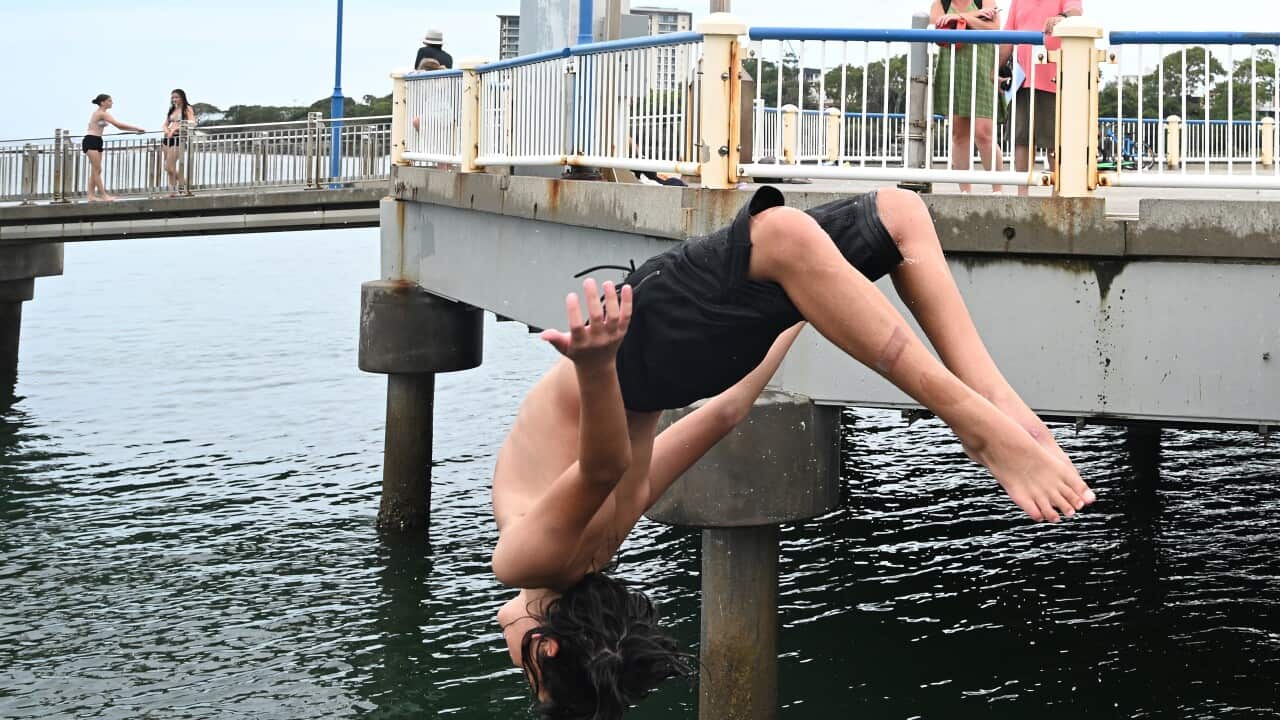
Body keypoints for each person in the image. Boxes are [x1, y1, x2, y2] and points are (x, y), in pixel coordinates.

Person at [492, 185, 1096, 719]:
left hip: (689, 365)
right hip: (649, 349)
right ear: (544, 650)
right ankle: (979, 424)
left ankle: (1002, 407)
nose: (511, 649)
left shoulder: (602, 545)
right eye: (529, 676)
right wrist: (597, 369)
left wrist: (811, 307)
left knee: (897, 216)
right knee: (782, 233)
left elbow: (724, 414)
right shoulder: (525, 563)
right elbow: (602, 465)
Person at [999, 0, 1083, 196]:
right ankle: (1022, 193)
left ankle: (1058, 193)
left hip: (1055, 76)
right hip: (1023, 77)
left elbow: (1075, 14)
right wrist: (995, 69)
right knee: (1022, 138)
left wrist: (1061, 18)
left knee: (1055, 140)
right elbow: (1007, 37)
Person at [930, 0, 1004, 193]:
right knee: (959, 133)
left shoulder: (985, 1)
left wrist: (959, 18)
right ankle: (965, 191)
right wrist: (976, 18)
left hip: (981, 69)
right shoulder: (940, 4)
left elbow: (994, 28)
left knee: (984, 133)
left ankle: (997, 190)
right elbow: (937, 28)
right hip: (952, 70)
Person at [83, 94, 145, 202]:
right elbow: (118, 125)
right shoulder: (101, 113)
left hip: (98, 140)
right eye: (109, 101)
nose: (112, 103)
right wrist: (136, 128)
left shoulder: (104, 113)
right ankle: (103, 195)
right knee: (97, 169)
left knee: (96, 170)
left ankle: (91, 195)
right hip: (90, 140)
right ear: (103, 102)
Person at [162, 88, 197, 196]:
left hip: (179, 139)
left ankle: (187, 185)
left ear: (182, 97)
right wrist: (168, 131)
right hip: (167, 139)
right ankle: (173, 191)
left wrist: (175, 129)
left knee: (169, 166)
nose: (174, 99)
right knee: (169, 168)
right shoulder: (172, 109)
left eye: (176, 97)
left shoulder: (187, 108)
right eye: (172, 97)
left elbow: (192, 122)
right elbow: (164, 124)